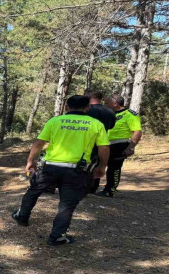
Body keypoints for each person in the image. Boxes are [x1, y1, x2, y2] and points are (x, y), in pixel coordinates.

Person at [11, 95, 110, 246]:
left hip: (49, 167)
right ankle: (57, 236)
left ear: (66, 107)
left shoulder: (55, 121)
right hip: (76, 171)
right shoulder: (95, 124)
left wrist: (30, 161)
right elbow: (103, 147)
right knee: (67, 204)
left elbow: (40, 142)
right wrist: (102, 166)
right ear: (88, 108)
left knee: (33, 191)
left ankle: (22, 216)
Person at [98, 94, 142, 197]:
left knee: (114, 168)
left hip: (120, 144)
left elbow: (137, 131)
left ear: (115, 104)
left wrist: (131, 147)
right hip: (106, 144)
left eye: (107, 103)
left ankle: (110, 190)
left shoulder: (130, 115)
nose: (105, 105)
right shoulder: (110, 113)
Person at [84, 90, 116, 194]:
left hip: (85, 141)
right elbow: (111, 126)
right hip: (101, 141)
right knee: (96, 163)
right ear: (101, 99)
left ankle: (81, 186)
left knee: (83, 163)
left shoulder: (86, 110)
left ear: (88, 97)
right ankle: (92, 187)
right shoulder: (110, 111)